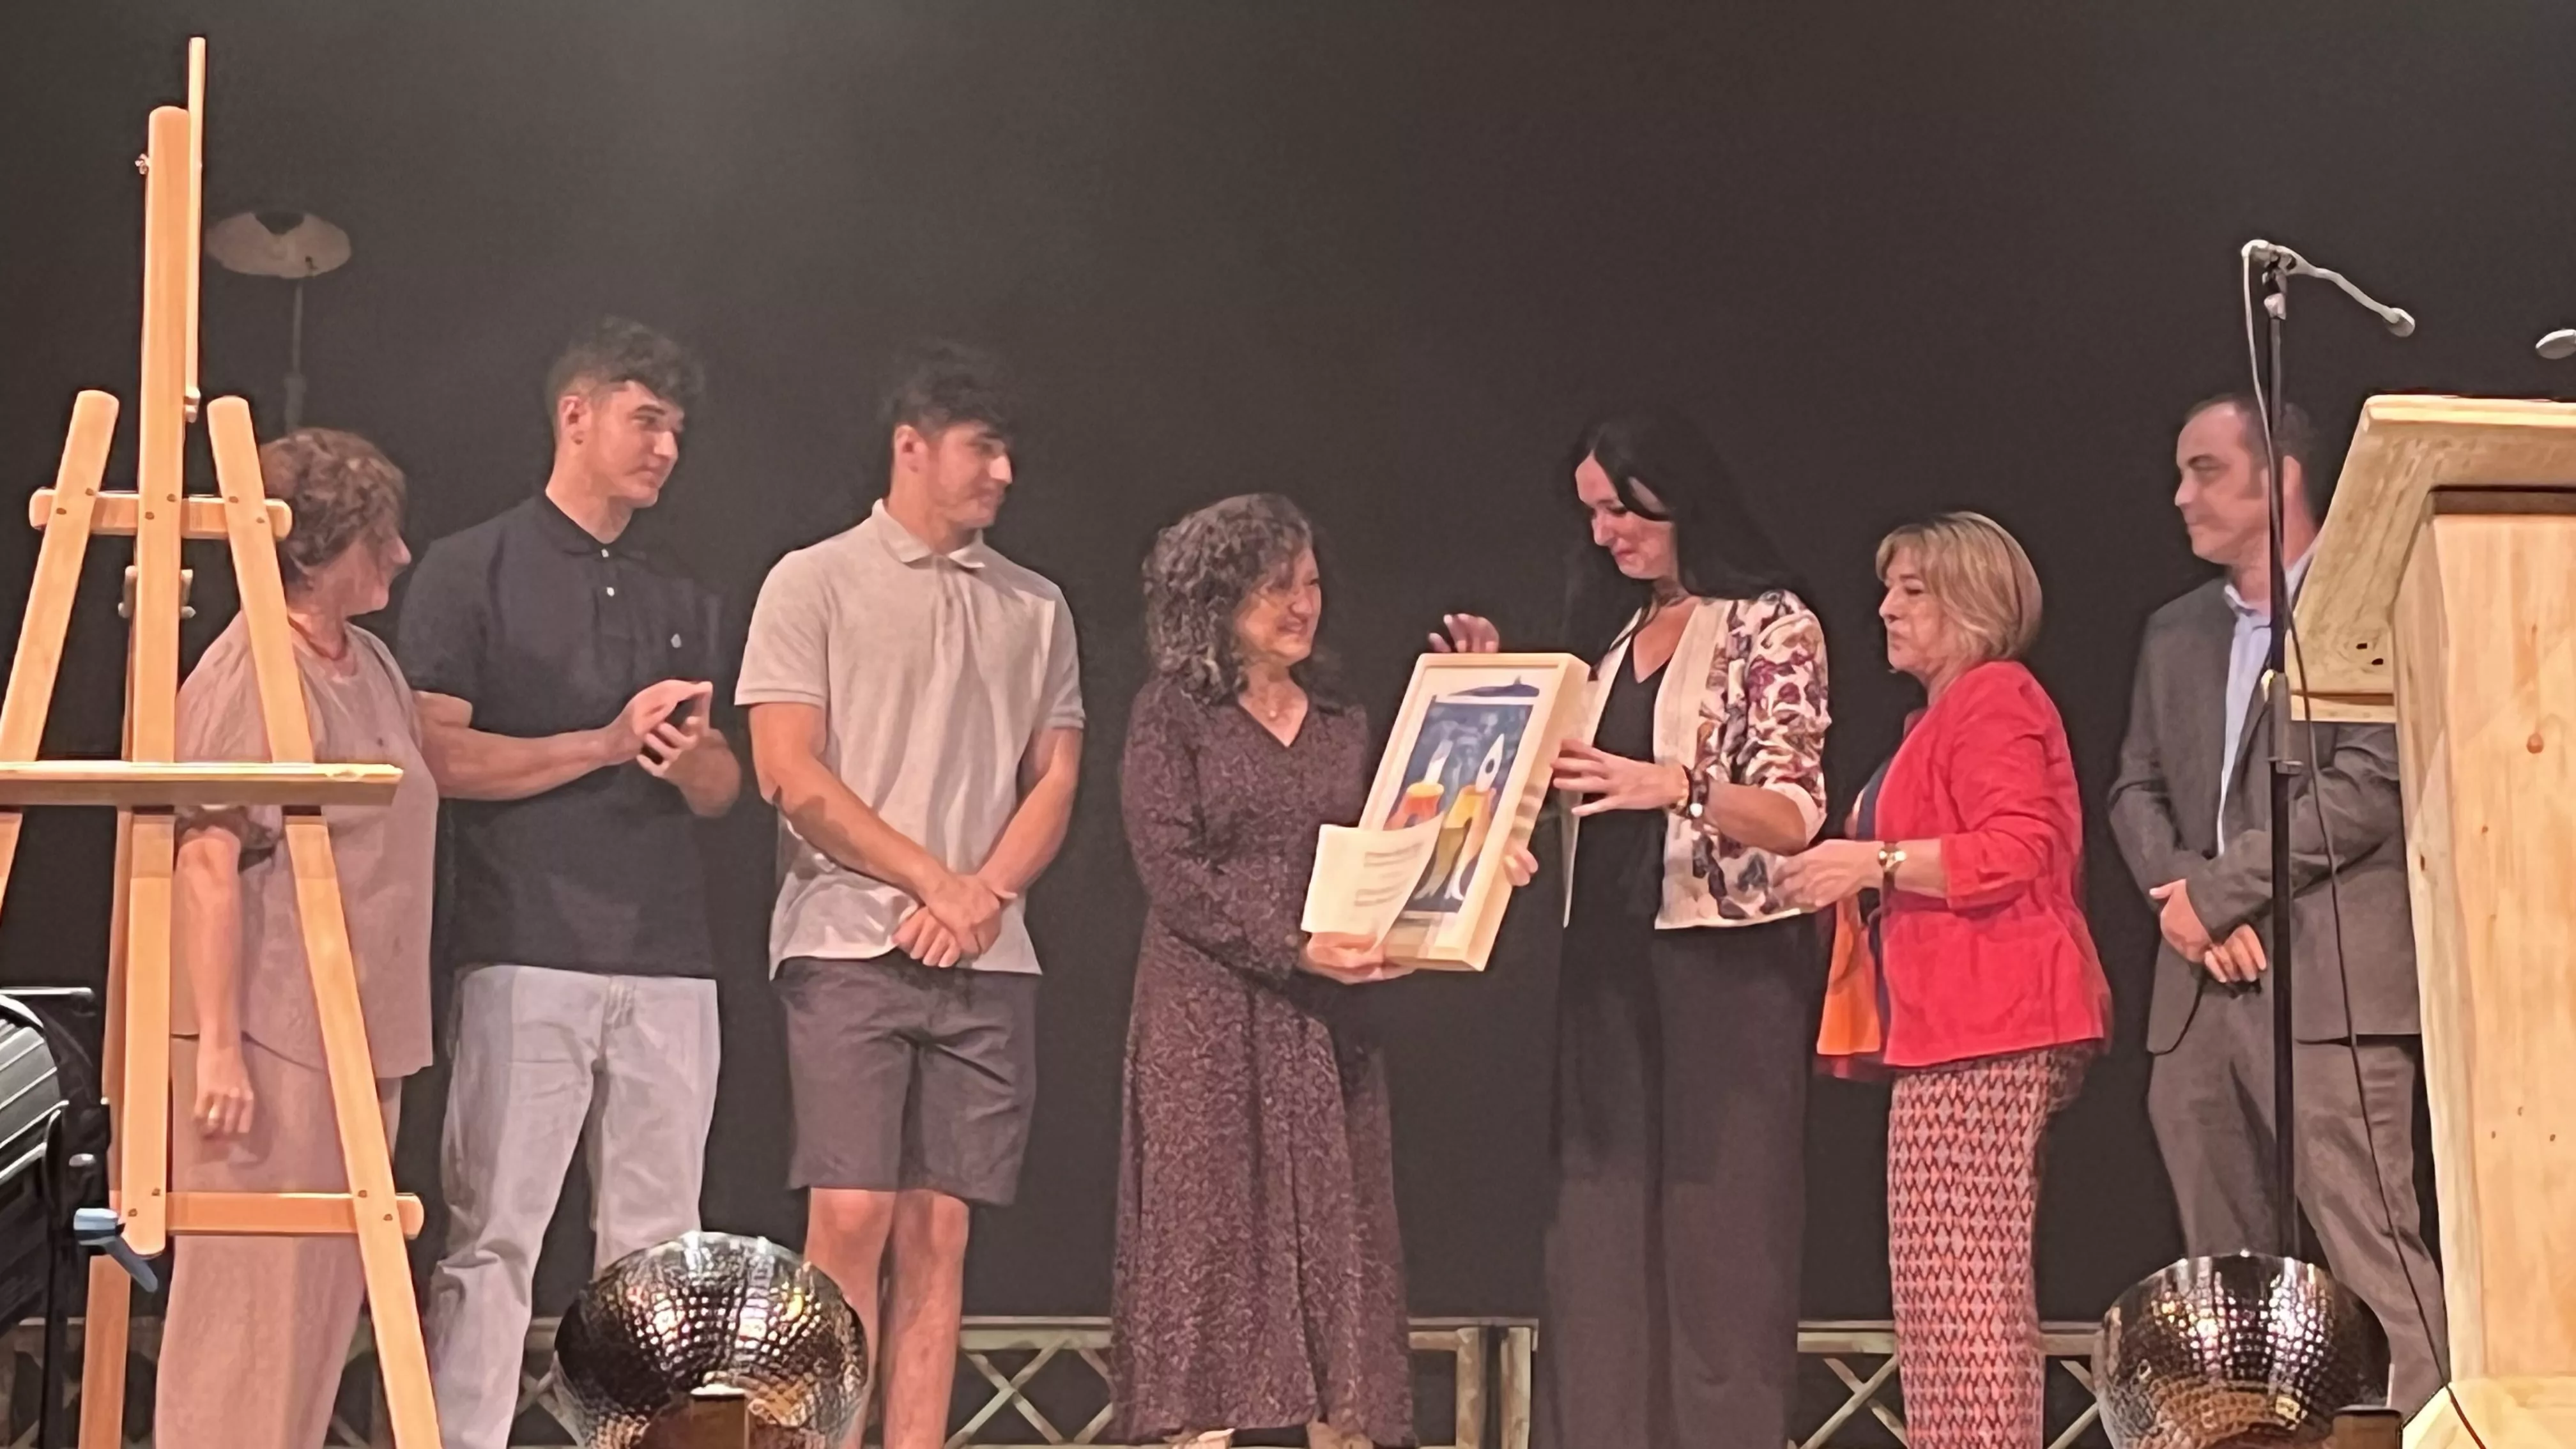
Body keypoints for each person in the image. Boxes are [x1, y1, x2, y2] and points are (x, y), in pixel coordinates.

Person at [1439, 410, 1830, 1449]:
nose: (1607, 532)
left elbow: (1794, 812)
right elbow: (1545, 787)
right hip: (1605, 963)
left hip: (1726, 963)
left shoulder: (1768, 622)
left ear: (1677, 493)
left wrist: (1679, 786)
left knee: (1722, 1241)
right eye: (1593, 514)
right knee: (1598, 1237)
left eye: (1621, 507)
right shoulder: (1606, 642)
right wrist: (1488, 686)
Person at [1114, 495, 1538, 1449]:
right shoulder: (1172, 713)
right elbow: (1172, 871)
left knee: (1336, 1247)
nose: (1303, 604)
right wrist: (1289, 945)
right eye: (1276, 587)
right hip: (1208, 1014)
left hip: (1326, 1016)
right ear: (1215, 598)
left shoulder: (1345, 716)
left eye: (1309, 583)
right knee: (1210, 1243)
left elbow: (1417, 823)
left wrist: (1484, 787)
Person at [400, 318, 741, 1449]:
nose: (666, 450)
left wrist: (692, 762)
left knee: (657, 1245)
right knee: (495, 1235)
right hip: (521, 943)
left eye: (679, 431)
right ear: (577, 415)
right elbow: (436, 758)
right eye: (648, 421)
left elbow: (724, 789)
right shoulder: (470, 565)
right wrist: (598, 744)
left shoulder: (681, 585)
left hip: (670, 956)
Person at [738, 344, 1083, 1449]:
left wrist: (981, 893)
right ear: (912, 448)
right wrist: (933, 879)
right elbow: (789, 771)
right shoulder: (814, 579)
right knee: (849, 1215)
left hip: (989, 951)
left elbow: (1057, 777)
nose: (1003, 474)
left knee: (941, 1233)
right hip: (848, 940)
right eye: (983, 450)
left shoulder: (1037, 606)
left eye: (1009, 452)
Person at [2106, 394, 2444, 1411]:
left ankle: (2431, 1430)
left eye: (2205, 469)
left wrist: (2218, 894)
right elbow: (2135, 787)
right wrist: (2187, 908)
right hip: (2199, 998)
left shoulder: (2369, 608)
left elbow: (2369, 783)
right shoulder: (2174, 633)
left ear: (2281, 478)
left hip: (2331, 988)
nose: (2181, 496)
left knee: (2370, 1253)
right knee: (2231, 1283)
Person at [1775, 511, 2110, 1449]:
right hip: (1955, 1028)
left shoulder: (1996, 696)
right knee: (1946, 1288)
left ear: (1975, 603)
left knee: (1963, 1289)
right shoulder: (1944, 715)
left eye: (1913, 590)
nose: (1885, 607)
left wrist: (1869, 861)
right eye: (1889, 587)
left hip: (1996, 1021)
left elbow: (2015, 849)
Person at [158, 428, 438, 1447]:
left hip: (366, 1031)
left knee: (318, 1325)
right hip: (277, 1039)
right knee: (249, 1326)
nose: (400, 559)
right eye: (379, 539)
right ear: (315, 551)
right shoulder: (250, 673)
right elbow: (206, 861)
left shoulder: (367, 660)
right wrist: (222, 1048)